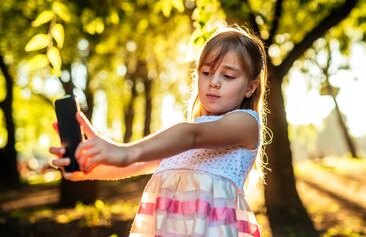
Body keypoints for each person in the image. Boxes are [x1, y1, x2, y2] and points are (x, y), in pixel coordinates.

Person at [50, 25, 268, 236]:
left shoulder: (245, 123)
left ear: (251, 87)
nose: (214, 82)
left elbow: (191, 135)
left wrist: (122, 151)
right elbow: (134, 164)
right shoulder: (179, 143)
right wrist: (88, 166)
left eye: (228, 76)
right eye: (206, 72)